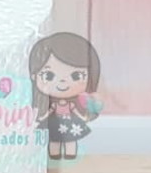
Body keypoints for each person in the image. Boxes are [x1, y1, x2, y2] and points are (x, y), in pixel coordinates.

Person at [29, 32, 103, 160]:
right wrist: (42, 117)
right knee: (54, 139)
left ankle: (70, 154)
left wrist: (83, 117)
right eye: (49, 75)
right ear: (34, 76)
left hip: (70, 123)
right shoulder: (50, 104)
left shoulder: (74, 104)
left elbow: (76, 112)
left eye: (76, 76)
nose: (62, 81)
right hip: (55, 122)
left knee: (70, 139)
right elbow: (49, 112)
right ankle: (54, 154)